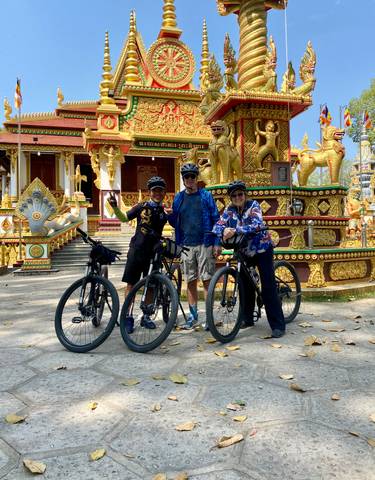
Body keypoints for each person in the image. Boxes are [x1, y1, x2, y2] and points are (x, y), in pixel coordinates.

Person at [212, 180, 285, 338]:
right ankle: (247, 318)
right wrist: (224, 230)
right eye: (234, 195)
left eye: (240, 194)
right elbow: (217, 226)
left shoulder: (254, 206)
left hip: (262, 249)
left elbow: (257, 224)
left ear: (245, 194)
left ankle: (278, 325)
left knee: (268, 286)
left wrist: (235, 230)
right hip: (243, 250)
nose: (238, 197)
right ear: (230, 198)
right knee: (245, 285)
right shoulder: (229, 210)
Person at [108, 176, 168, 331]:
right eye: (155, 190)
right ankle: (128, 316)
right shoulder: (140, 207)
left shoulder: (164, 212)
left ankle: (146, 316)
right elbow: (123, 218)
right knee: (131, 284)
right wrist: (114, 207)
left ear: (164, 193)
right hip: (137, 250)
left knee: (151, 285)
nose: (157, 193)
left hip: (153, 253)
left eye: (160, 191)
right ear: (149, 192)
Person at [168, 163, 220, 329]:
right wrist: (166, 215)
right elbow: (175, 221)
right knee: (190, 281)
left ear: (197, 178)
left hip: (205, 243)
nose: (190, 179)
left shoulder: (206, 196)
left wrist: (216, 243)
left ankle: (209, 317)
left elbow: (216, 219)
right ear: (183, 179)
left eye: (192, 176)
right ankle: (193, 315)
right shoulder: (179, 198)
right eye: (187, 177)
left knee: (206, 280)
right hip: (186, 245)